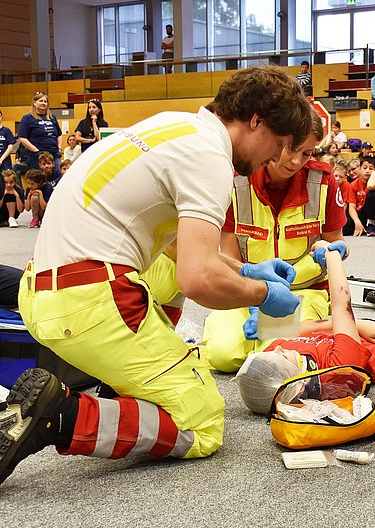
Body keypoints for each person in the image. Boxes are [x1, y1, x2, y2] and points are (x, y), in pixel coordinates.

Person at [0, 66, 312, 487]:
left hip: (42, 292)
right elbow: (198, 278)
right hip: (89, 303)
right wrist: (258, 293)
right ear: (256, 120)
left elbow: (177, 249)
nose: (274, 157)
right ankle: (62, 416)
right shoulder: (211, 159)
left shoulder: (175, 126)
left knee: (165, 261)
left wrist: (242, 269)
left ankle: (135, 378)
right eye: (277, 143)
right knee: (202, 423)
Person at [201, 110, 348, 374]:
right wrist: (252, 296)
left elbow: (335, 243)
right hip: (245, 291)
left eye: (306, 153)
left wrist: (332, 251)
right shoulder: (236, 180)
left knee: (276, 353)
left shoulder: (323, 181)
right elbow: (230, 258)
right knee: (223, 355)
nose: (294, 161)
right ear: (275, 141)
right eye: (290, 149)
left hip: (303, 292)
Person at [237, 239, 375, 414]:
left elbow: (296, 328)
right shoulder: (337, 372)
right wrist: (330, 254)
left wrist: (356, 325)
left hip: (356, 331)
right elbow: (342, 302)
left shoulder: (274, 356)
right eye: (280, 357)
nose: (279, 348)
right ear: (297, 387)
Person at [15, 92, 63, 180]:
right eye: (41, 101)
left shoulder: (52, 117)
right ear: (34, 102)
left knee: (57, 178)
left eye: (45, 101)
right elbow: (22, 137)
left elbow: (59, 134)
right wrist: (36, 151)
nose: (43, 103)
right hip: (37, 156)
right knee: (40, 180)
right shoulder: (28, 117)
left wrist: (59, 149)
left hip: (54, 154)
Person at [345, 155, 375, 237]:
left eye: (371, 169)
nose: (367, 171)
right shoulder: (353, 184)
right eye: (365, 168)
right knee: (345, 229)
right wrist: (357, 222)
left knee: (373, 193)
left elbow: (371, 186)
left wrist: (374, 174)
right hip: (360, 213)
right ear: (360, 168)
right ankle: (362, 226)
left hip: (374, 214)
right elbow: (352, 207)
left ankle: (371, 225)